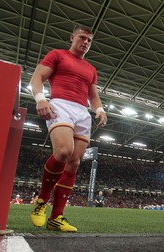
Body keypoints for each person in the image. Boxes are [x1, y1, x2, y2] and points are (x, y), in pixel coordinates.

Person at [29, 24, 107, 232]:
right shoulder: (57, 55)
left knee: (73, 163)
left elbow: (93, 96)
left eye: (89, 40)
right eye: (82, 37)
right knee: (64, 152)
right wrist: (40, 99)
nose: (86, 43)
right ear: (72, 37)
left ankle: (56, 217)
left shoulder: (91, 69)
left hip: (82, 112)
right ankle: (42, 201)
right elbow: (37, 77)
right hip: (60, 104)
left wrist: (99, 110)